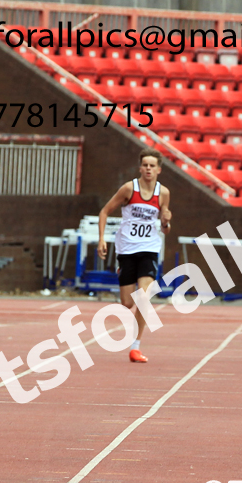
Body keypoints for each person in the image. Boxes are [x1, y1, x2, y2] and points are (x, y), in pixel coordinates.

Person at [97, 148, 171, 363]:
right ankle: (122, 277)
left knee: (144, 298)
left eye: (152, 165)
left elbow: (165, 228)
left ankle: (135, 347)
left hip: (149, 249)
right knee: (127, 303)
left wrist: (166, 221)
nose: (148, 169)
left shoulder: (163, 193)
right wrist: (102, 239)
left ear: (159, 169)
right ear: (140, 168)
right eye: (145, 165)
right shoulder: (129, 188)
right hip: (127, 249)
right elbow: (104, 211)